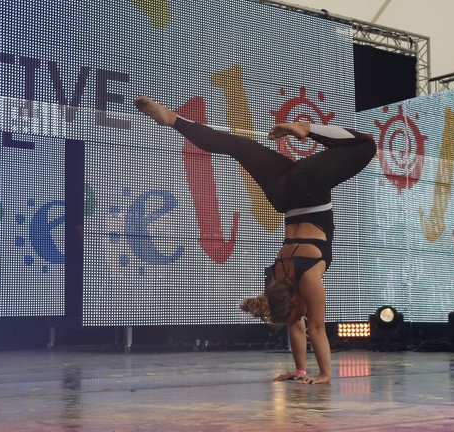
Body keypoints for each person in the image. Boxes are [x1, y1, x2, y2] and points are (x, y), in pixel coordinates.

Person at [134, 96, 376, 384]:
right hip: (282, 196)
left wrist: (324, 374)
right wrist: (299, 373)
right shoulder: (278, 275)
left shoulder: (308, 279)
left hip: (309, 190)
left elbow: (316, 329)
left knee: (367, 145)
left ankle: (305, 127)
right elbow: (296, 324)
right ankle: (174, 120)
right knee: (240, 147)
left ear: (294, 301)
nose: (297, 317)